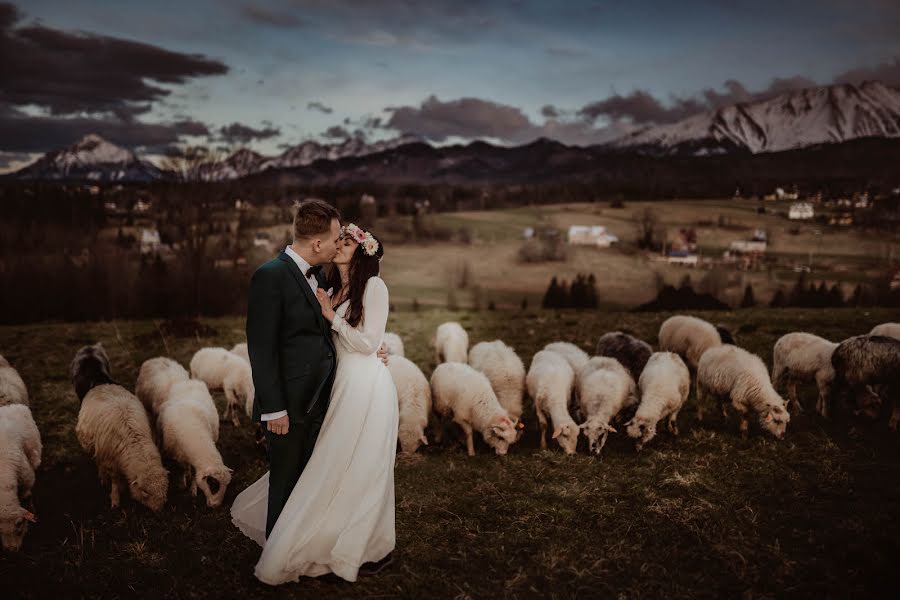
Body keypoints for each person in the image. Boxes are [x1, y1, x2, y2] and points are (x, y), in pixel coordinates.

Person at [232, 218, 399, 584]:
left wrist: (335, 321)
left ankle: (366, 544)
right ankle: (324, 532)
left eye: (349, 243)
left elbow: (369, 342)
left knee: (362, 465)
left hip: (366, 386)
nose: (340, 245)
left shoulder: (374, 286)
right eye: (339, 241)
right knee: (335, 462)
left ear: (364, 253)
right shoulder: (332, 285)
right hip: (340, 383)